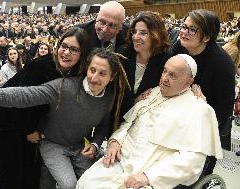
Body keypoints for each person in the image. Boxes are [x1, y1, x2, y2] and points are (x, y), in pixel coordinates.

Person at [0, 48, 130, 189]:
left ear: (112, 76)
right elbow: (27, 94)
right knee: (69, 184)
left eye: (102, 73)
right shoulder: (64, 87)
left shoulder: (109, 97)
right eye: (92, 70)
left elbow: (104, 123)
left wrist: (95, 144)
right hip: (53, 144)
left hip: (79, 145)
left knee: (96, 179)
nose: (94, 77)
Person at [76, 54, 223, 189]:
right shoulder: (153, 92)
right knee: (85, 182)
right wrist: (115, 141)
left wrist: (149, 177)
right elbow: (128, 123)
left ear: (188, 82)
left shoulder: (199, 109)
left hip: (152, 176)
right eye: (164, 71)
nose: (164, 78)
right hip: (119, 161)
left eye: (173, 75)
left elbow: (192, 161)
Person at [0, 27, 91, 189]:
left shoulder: (76, 72)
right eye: (64, 46)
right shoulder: (40, 67)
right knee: (13, 172)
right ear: (57, 46)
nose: (66, 52)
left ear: (82, 53)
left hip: (30, 121)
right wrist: (29, 131)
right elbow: (20, 102)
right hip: (3, 119)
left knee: (31, 169)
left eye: (73, 49)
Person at [170, 9, 235, 155]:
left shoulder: (222, 64)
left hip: (205, 120)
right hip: (179, 110)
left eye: (192, 29)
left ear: (206, 37)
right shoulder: (179, 46)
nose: (184, 32)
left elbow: (223, 109)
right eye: (184, 26)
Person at [118, 11, 170, 121]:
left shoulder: (166, 60)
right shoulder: (121, 55)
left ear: (156, 35)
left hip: (149, 119)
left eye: (143, 33)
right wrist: (134, 101)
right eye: (134, 32)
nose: (135, 37)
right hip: (120, 117)